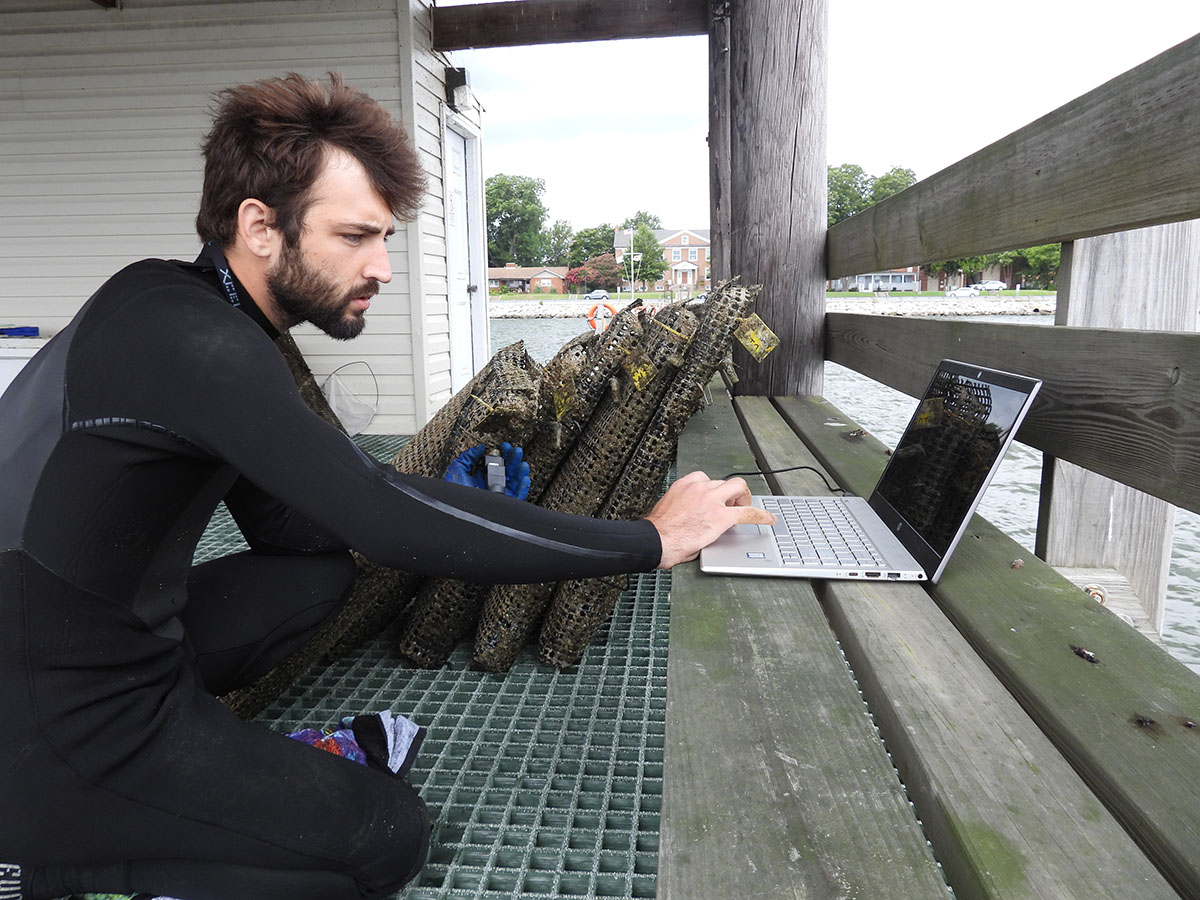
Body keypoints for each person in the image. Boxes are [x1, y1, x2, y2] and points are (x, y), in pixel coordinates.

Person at [0, 73, 771, 900]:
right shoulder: (199, 343)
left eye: (387, 240)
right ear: (259, 226)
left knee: (317, 575)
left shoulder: (167, 302)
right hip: (57, 714)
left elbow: (303, 531)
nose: (383, 268)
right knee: (381, 837)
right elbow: (380, 511)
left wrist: (335, 469)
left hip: (83, 628)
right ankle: (41, 861)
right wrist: (650, 538)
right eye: (356, 237)